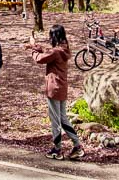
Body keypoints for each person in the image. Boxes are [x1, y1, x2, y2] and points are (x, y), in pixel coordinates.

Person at [30, 24, 84, 161]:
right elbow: (48, 52)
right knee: (63, 118)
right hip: (62, 87)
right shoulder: (63, 49)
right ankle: (77, 146)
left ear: (53, 36)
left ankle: (57, 149)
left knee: (55, 120)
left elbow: (40, 59)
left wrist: (32, 49)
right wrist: (37, 46)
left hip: (53, 88)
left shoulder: (55, 52)